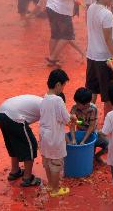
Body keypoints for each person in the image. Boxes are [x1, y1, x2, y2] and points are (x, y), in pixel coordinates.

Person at [85, 0, 113, 114]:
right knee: (109, 96)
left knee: (92, 90)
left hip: (92, 55)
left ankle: (86, 121)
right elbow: (108, 39)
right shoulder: (107, 14)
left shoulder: (92, 8)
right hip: (105, 58)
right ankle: (107, 125)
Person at [0, 93, 43, 187]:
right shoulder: (48, 107)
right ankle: (28, 178)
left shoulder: (41, 101)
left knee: (14, 142)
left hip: (1, 113)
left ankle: (15, 171)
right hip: (14, 116)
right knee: (31, 145)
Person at [40, 68, 71, 198]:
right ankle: (55, 189)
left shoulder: (45, 98)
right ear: (58, 84)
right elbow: (66, 119)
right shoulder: (58, 100)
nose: (63, 89)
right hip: (55, 136)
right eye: (63, 85)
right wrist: (72, 118)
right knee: (56, 163)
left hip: (44, 135)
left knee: (47, 160)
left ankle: (49, 185)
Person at [68, 87, 109, 162]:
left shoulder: (93, 109)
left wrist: (83, 141)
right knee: (86, 157)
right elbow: (72, 124)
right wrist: (73, 139)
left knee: (108, 146)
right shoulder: (74, 107)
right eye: (76, 102)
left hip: (92, 133)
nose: (76, 104)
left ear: (86, 104)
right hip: (80, 132)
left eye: (78, 104)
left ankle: (97, 156)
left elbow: (91, 126)